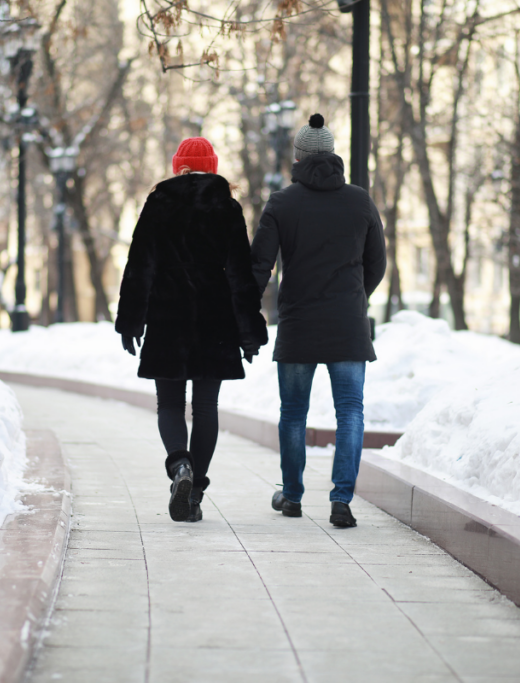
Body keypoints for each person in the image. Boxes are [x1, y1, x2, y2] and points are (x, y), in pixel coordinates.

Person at [115, 137, 268, 523]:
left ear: (176, 165)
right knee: (205, 408)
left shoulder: (158, 203)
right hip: (214, 321)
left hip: (168, 318)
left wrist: (131, 320)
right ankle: (195, 491)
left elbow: (140, 266)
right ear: (213, 166)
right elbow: (239, 275)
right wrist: (248, 331)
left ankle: (179, 466)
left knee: (168, 404)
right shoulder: (227, 207)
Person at [251, 114, 386, 528]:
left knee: (293, 412)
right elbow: (377, 263)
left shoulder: (282, 203)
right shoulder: (360, 200)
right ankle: (341, 500)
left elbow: (260, 265)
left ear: (298, 157)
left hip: (299, 324)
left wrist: (244, 309)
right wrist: (355, 298)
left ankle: (291, 496)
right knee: (350, 411)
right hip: (347, 324)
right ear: (331, 154)